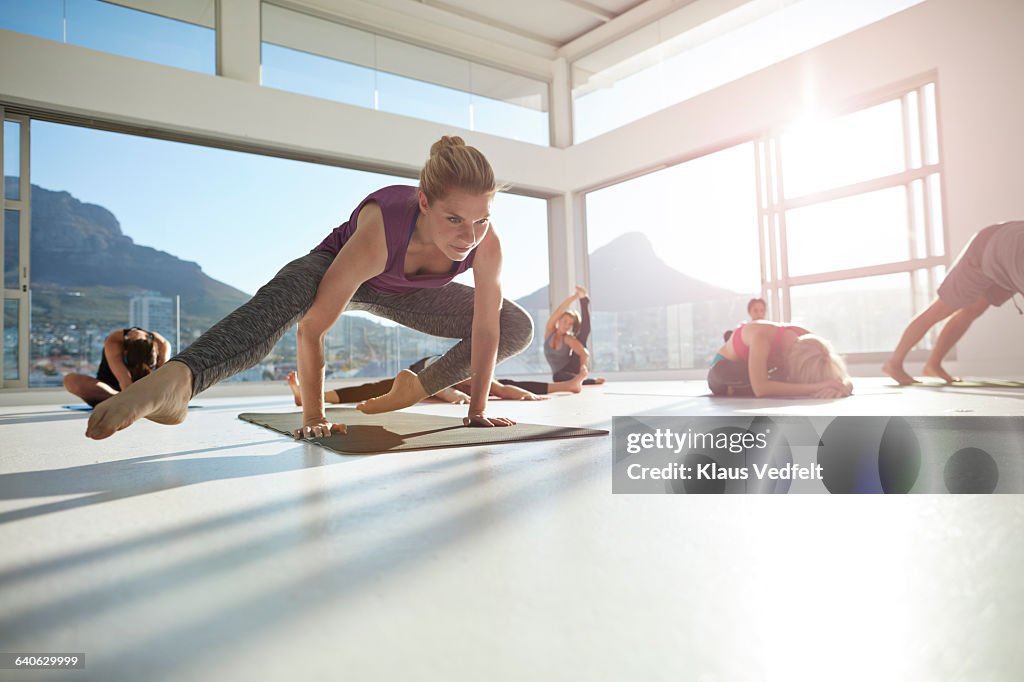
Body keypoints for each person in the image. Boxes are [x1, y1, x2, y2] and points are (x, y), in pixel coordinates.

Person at [85, 136, 533, 440]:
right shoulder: (382, 230)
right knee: (278, 304)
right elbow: (313, 329)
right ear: (423, 202)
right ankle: (178, 382)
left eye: (481, 220)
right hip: (333, 266)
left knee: (516, 324)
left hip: (411, 294)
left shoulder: (486, 245)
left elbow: (487, 328)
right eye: (454, 219)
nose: (468, 235)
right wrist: (314, 416)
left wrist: (474, 410)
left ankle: (416, 386)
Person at [883, 221, 1024, 385]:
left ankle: (933, 365)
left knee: (973, 310)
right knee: (941, 308)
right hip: (987, 247)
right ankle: (894, 364)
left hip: (1006, 261)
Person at [285, 356, 590, 406]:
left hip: (450, 375)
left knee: (501, 384)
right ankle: (309, 397)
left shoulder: (481, 376)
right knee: (376, 389)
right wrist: (458, 398)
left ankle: (569, 385)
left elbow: (502, 389)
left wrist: (528, 397)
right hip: (424, 370)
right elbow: (443, 391)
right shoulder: (451, 374)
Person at [709, 320, 853, 398]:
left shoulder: (808, 340)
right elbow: (761, 389)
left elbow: (841, 374)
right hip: (726, 367)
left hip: (763, 372)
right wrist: (818, 386)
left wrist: (844, 386)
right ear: (786, 356)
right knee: (726, 374)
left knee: (778, 379)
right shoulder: (762, 338)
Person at [64, 327, 171, 407]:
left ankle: (125, 401)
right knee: (71, 380)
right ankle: (121, 399)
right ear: (125, 353)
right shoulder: (114, 341)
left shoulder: (162, 344)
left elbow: (163, 381)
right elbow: (125, 382)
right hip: (109, 390)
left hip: (144, 391)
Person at [543, 286, 604, 385]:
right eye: (565, 321)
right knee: (557, 377)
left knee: (583, 335)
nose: (567, 325)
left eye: (570, 323)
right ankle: (580, 380)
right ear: (558, 320)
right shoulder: (549, 331)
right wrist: (575, 296)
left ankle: (584, 301)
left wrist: (583, 367)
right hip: (559, 375)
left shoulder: (568, 339)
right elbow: (559, 310)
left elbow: (584, 353)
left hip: (571, 368)